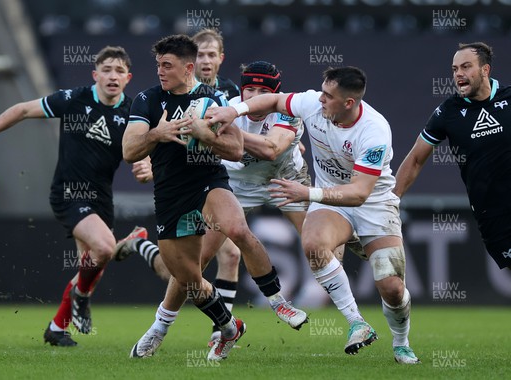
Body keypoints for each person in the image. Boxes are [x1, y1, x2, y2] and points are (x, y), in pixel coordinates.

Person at [207, 66, 420, 364]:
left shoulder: (374, 130)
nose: (320, 100)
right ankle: (357, 322)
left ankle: (401, 342)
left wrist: (308, 193)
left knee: (393, 289)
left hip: (374, 203)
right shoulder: (312, 103)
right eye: (321, 92)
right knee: (313, 244)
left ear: (349, 103)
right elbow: (273, 101)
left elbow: (359, 193)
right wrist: (235, 110)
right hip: (330, 200)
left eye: (328, 96)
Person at [122, 34, 307, 361]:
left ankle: (280, 303)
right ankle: (223, 325)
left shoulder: (214, 99)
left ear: (187, 67)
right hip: (170, 191)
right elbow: (128, 150)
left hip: (209, 180)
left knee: (237, 230)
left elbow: (236, 150)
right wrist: (158, 134)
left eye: (167, 65)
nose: (160, 71)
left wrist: (202, 133)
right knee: (189, 277)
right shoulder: (146, 100)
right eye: (158, 65)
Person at [0, 46, 157, 347]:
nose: (112, 76)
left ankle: (56, 327)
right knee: (103, 249)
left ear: (128, 77)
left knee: (91, 266)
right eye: (106, 70)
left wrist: (147, 167)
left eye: (119, 71)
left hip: (102, 198)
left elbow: (142, 154)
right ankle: (90, 287)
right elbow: (24, 109)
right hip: (69, 193)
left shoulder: (132, 113)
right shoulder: (73, 98)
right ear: (96, 75)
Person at [394, 42, 511, 270]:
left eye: (466, 67)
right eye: (454, 69)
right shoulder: (448, 112)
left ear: (485, 70)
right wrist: (392, 200)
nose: (459, 74)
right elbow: (416, 159)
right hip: (493, 214)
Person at [193, 28, 240, 100]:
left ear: (221, 58)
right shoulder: (179, 89)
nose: (206, 61)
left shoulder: (232, 90)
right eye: (200, 55)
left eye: (211, 55)